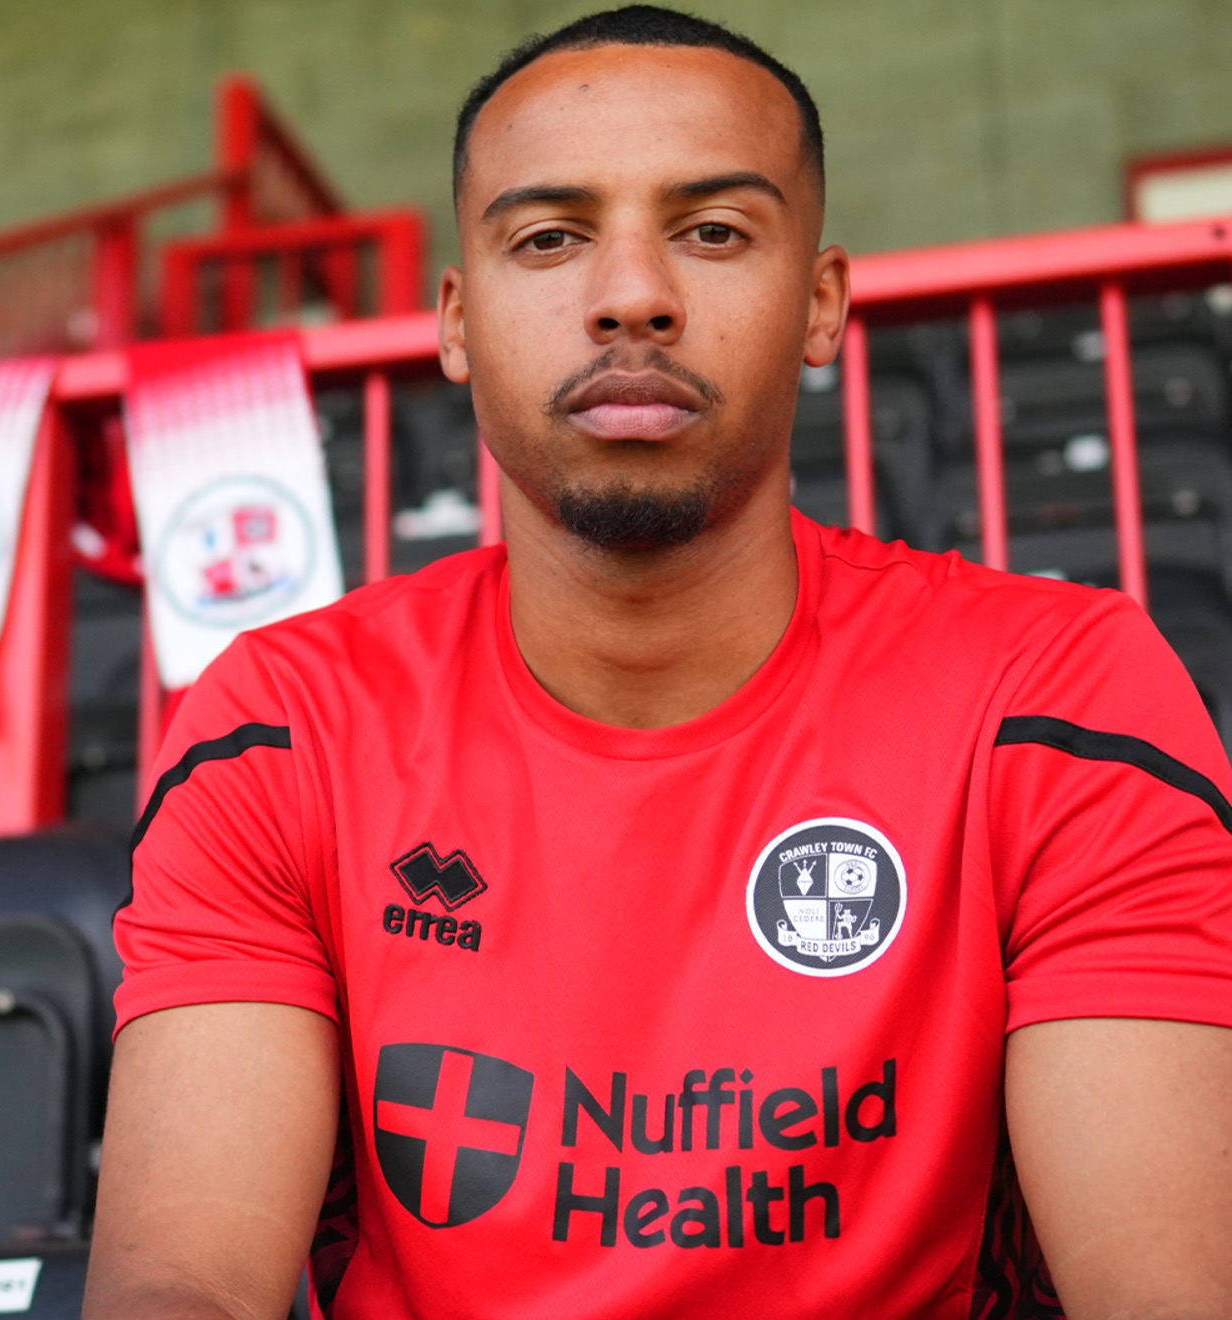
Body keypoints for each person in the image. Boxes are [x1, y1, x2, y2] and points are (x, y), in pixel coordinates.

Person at [83, 7, 1232, 1318]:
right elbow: (183, 1285)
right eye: (548, 238)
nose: (631, 293)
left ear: (819, 303)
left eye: (714, 231)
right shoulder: (285, 727)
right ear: (456, 321)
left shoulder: (1056, 699)